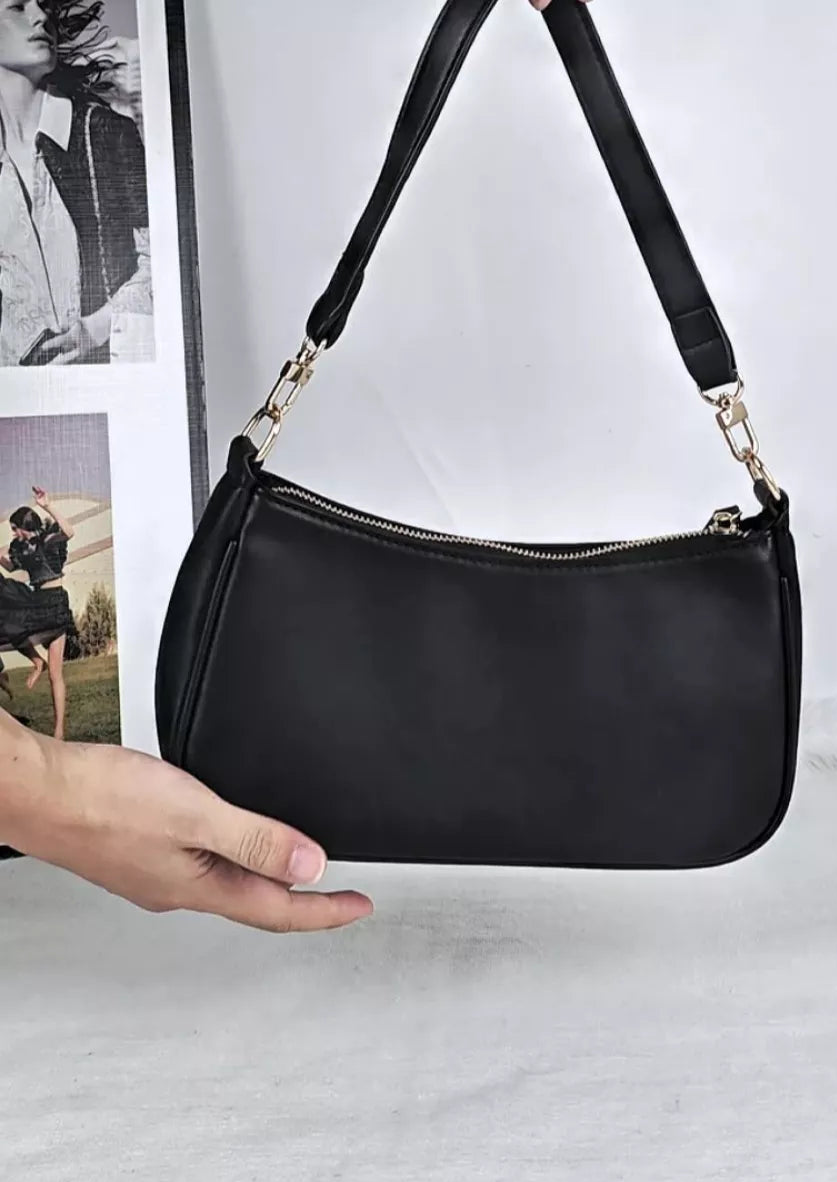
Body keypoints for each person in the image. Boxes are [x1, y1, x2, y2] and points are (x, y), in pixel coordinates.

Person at [0, 0, 593, 935]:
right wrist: (45, 797)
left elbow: (125, 279)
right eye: (15, 4)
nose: (35, 12)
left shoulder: (81, 148)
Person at [0, 0, 154, 367]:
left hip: (101, 381)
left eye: (43, 5)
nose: (41, 17)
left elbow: (163, 264)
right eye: (18, 7)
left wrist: (97, 328)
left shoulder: (106, 134)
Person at [0, 487, 77, 738]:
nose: (13, 533)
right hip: (38, 601)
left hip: (56, 603)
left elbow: (69, 532)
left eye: (15, 528)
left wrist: (47, 505)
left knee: (56, 674)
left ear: (24, 526)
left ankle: (59, 731)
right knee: (10, 625)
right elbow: (9, 567)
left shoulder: (48, 539)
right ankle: (36, 661)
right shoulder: (22, 548)